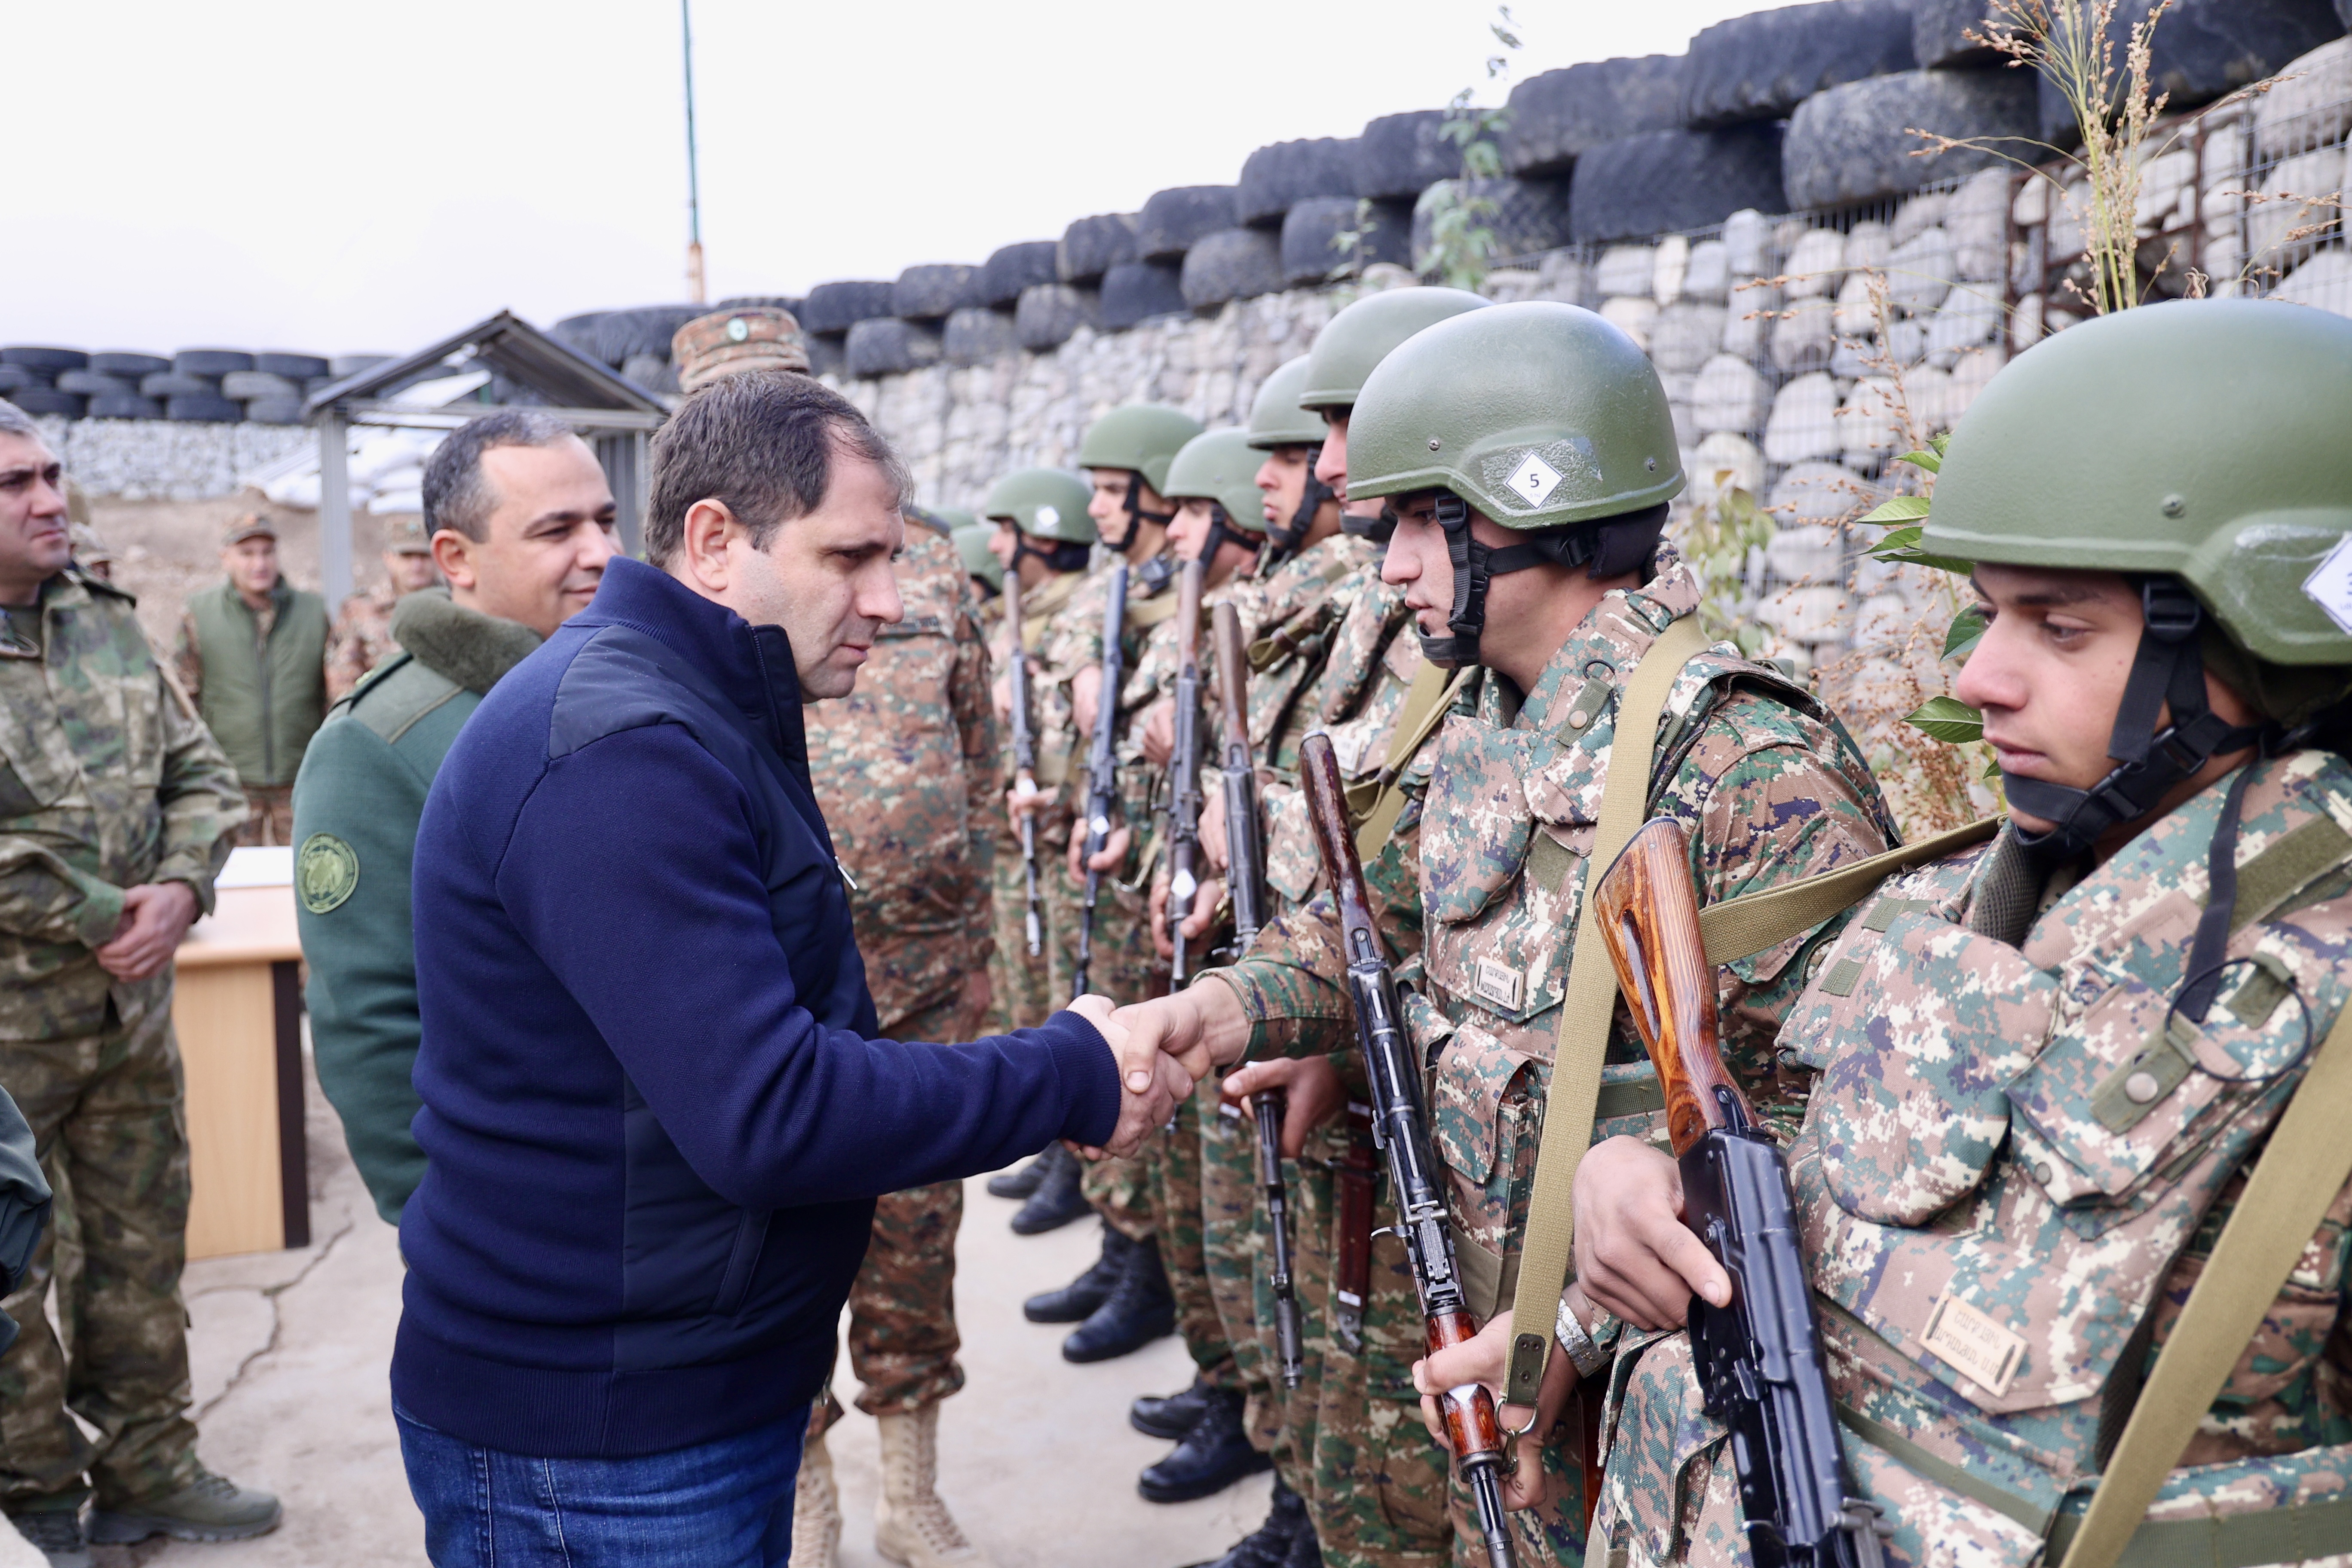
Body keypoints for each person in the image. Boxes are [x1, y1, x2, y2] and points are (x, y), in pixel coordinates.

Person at [1569, 299, 2352, 1566]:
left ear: (2267, 645)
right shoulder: (1962, 900)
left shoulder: (2322, 1008)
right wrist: (1621, 1183)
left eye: (2060, 626)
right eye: (1989, 614)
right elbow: (1763, 1167)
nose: (1978, 676)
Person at [1123, 301, 1896, 1568]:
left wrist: (1570, 1329)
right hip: (1488, 1362)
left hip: (1647, 1424)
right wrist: (1210, 1013)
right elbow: (1366, 931)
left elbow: (1833, 1143)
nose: (1391, 569)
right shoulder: (1481, 722)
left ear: (1533, 501)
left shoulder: (1747, 770)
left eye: (1419, 523)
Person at [392, 370, 1188, 1566]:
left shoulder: (686, 705)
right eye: (849, 558)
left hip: (670, 1397)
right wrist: (1072, 1071)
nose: (889, 600)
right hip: (608, 1445)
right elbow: (768, 1112)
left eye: (893, 559)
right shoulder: (623, 748)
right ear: (716, 540)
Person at [0, 401, 279, 1564]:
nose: (50, 499)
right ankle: (33, 1501)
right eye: (16, 484)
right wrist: (100, 910)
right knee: (9, 1274)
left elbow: (200, 775)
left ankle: (148, 1470)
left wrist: (178, 885)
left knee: (140, 1249)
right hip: (12, 1036)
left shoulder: (103, 623)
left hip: (128, 1017)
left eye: (51, 474)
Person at [292, 410, 617, 1225]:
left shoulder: (628, 688)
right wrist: (451, 1228)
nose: (602, 553)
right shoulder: (378, 742)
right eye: (558, 530)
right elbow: (370, 1023)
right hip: (529, 1212)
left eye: (607, 520)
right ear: (455, 559)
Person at [792, 497, 1004, 1568]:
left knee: (917, 1234)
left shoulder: (932, 566)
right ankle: (806, 1500)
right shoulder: (733, 571)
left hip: (924, 970)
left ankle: (908, 1496)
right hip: (780, 978)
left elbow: (981, 757)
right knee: (779, 1240)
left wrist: (980, 944)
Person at [1015, 405, 1204, 1362]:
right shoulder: (1125, 594)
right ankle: (1125, 1248)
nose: (1096, 508)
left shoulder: (1195, 601)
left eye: (1111, 489)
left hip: (1161, 881)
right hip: (1116, 862)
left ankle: (1147, 1271)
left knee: (1149, 1086)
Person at [170, 513, 330, 847]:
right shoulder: (200, 613)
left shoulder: (313, 612)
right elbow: (184, 701)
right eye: (247, 553)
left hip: (300, 778)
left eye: (267, 552)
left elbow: (333, 697)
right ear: (225, 557)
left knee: (304, 869)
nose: (260, 564)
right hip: (231, 781)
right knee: (234, 873)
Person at [325, 513, 441, 701]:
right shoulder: (360, 609)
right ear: (388, 558)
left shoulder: (456, 605)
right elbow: (342, 679)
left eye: (424, 556)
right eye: (407, 556)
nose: (417, 565)